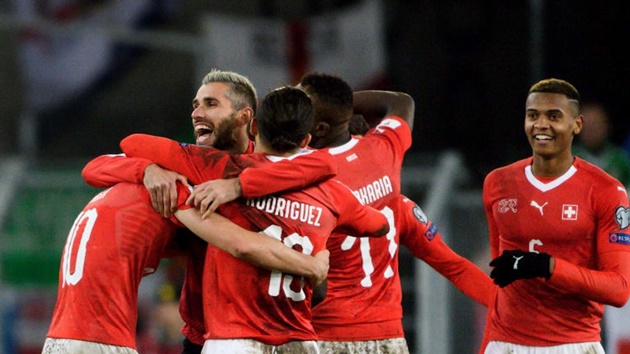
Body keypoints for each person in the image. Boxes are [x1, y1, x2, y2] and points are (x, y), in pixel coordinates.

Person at [190, 73, 496, 353]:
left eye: (304, 108)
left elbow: (317, 288)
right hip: (388, 338)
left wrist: (236, 187)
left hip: (324, 334)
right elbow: (401, 102)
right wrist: (506, 306)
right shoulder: (385, 155)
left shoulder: (305, 177)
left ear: (317, 129)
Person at [81, 69, 338, 353]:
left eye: (210, 104)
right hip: (206, 334)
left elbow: (325, 166)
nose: (197, 113)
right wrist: (146, 170)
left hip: (281, 327)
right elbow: (95, 167)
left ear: (244, 117)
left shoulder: (278, 166)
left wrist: (237, 186)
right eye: (195, 105)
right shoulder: (191, 164)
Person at [119, 86, 390, 353]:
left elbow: (132, 143)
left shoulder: (218, 169)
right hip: (299, 341)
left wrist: (149, 169)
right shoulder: (333, 192)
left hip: (234, 339)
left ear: (254, 127)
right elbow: (380, 225)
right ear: (306, 141)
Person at [41, 179, 330, 354]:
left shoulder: (119, 196)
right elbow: (241, 244)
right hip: (99, 341)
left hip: (59, 339)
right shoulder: (169, 195)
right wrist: (312, 266)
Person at [481, 78, 630, 353]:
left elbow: (619, 289)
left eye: (554, 116)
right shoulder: (497, 184)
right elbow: (498, 284)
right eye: (532, 115)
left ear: (576, 125)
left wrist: (547, 266)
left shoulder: (608, 191)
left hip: (574, 344)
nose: (541, 125)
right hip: (505, 344)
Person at [572, 101, 630, 187]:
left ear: (607, 126)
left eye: (596, 125)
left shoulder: (621, 159)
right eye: (587, 126)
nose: (592, 131)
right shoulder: (568, 159)